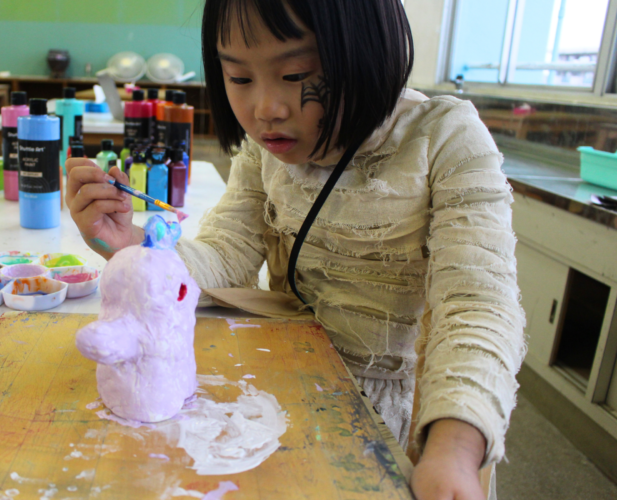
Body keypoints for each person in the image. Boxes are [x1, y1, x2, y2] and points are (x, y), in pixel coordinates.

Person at [65, 1, 525, 498]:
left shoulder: (444, 138)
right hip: (282, 388)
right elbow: (228, 255)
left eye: (296, 74)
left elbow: (477, 303)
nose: (266, 109)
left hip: (407, 425)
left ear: (368, 50)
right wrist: (135, 248)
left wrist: (454, 448)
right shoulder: (266, 149)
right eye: (239, 79)